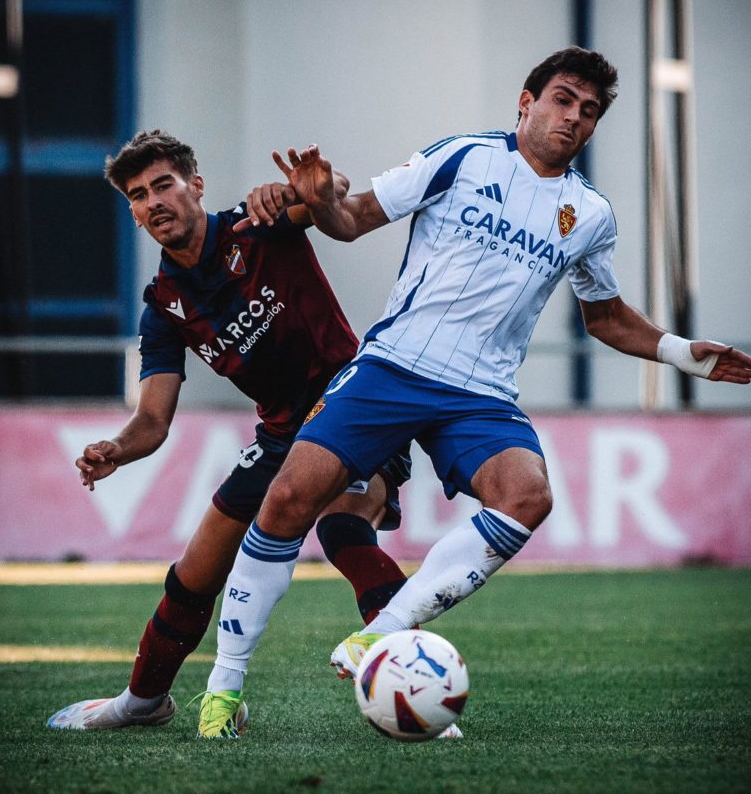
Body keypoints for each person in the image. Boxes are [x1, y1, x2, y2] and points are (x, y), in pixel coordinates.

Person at [197, 46, 751, 732]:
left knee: (529, 494)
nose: (573, 118)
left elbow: (603, 316)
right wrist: (320, 200)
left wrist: (681, 354)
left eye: (589, 111)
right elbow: (355, 218)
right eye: (562, 99)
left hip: (480, 394)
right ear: (527, 100)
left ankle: (384, 630)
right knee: (286, 499)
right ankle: (223, 689)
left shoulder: (590, 214)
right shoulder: (463, 156)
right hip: (393, 367)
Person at [45, 130, 416, 738]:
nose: (153, 202)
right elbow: (152, 421)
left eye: (163, 184)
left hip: (353, 404)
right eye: (138, 196)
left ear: (195, 186)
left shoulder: (259, 220)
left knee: (344, 523)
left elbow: (333, 197)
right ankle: (142, 701)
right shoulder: (163, 306)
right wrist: (117, 448)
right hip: (279, 434)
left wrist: (315, 188)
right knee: (195, 572)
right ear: (134, 214)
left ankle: (412, 692)